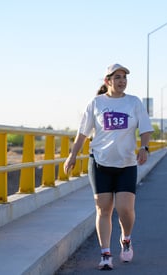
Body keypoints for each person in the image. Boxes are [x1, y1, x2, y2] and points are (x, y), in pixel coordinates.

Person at [63, 63, 153, 270]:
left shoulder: (134, 102)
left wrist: (144, 148)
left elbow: (146, 129)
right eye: (118, 77)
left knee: (124, 209)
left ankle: (126, 238)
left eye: (124, 77)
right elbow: (83, 133)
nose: (122, 81)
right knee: (103, 209)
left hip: (126, 163)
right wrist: (73, 155)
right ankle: (105, 254)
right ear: (108, 81)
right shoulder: (95, 103)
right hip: (99, 162)